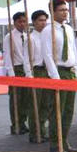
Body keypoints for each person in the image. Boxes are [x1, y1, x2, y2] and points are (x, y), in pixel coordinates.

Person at [40, 0, 77, 152]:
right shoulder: (48, 31)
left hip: (69, 71)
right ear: (53, 11)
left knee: (68, 110)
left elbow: (73, 50)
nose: (65, 12)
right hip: (58, 72)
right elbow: (47, 55)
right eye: (62, 10)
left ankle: (65, 140)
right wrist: (55, 77)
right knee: (57, 110)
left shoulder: (69, 29)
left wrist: (75, 71)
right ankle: (55, 144)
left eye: (66, 9)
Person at [4, 11, 34, 136]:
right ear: (14, 22)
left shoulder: (28, 36)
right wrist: (11, 73)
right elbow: (7, 55)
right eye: (20, 21)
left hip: (26, 68)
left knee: (27, 98)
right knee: (16, 98)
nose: (22, 24)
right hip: (16, 68)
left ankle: (23, 122)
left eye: (24, 21)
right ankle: (16, 124)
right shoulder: (9, 37)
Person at [28, 9, 53, 144]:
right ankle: (35, 132)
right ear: (34, 22)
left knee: (46, 103)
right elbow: (28, 60)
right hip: (37, 71)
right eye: (40, 20)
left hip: (47, 71)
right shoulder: (31, 38)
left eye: (45, 20)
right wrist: (29, 77)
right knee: (35, 104)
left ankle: (42, 130)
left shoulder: (47, 36)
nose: (43, 23)